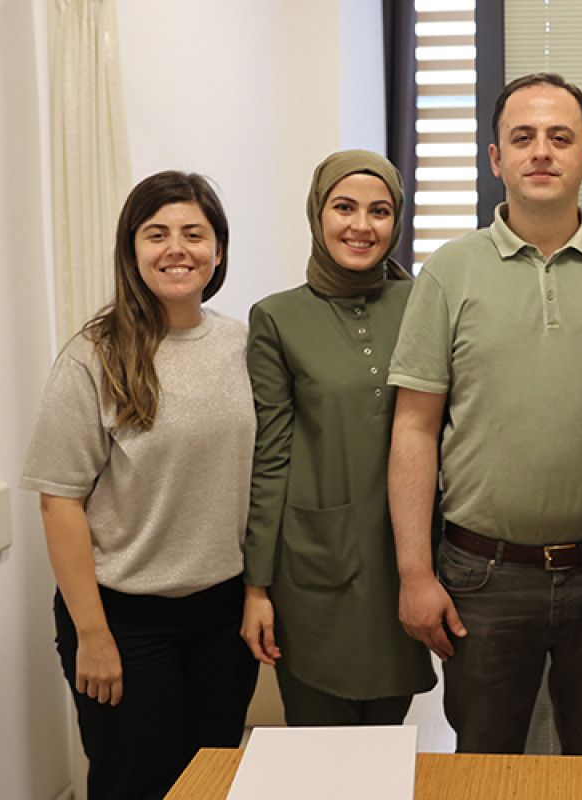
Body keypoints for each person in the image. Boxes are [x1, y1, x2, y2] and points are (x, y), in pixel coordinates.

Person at [386, 73, 582, 800]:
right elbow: (414, 428)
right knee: (483, 776)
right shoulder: (448, 273)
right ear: (495, 158)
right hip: (482, 578)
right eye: (522, 137)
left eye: (560, 137)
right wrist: (415, 574)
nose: (541, 152)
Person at [20, 171, 259, 799]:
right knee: (134, 784)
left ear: (219, 250)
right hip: (124, 620)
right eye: (157, 234)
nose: (176, 248)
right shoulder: (93, 356)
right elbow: (59, 501)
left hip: (221, 615)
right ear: (132, 250)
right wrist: (92, 634)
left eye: (193, 234)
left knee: (209, 781)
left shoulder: (243, 345)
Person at [240, 150, 436, 725]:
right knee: (320, 750)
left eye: (380, 211)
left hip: (404, 559)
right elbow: (271, 456)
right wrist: (257, 586)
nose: (361, 226)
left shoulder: (423, 303)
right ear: (317, 213)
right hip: (314, 568)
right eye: (344, 207)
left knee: (387, 745)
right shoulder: (277, 318)